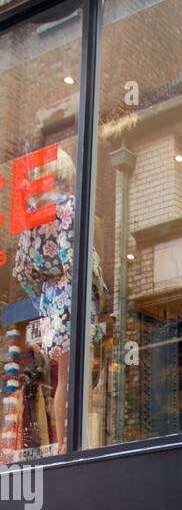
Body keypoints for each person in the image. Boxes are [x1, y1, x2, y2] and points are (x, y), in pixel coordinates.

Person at [13, 147, 108, 452]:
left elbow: (22, 268)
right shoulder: (71, 207)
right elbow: (79, 255)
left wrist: (43, 298)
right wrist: (98, 291)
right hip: (73, 291)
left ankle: (65, 442)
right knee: (79, 373)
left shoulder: (33, 216)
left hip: (52, 297)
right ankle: (80, 441)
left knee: (63, 377)